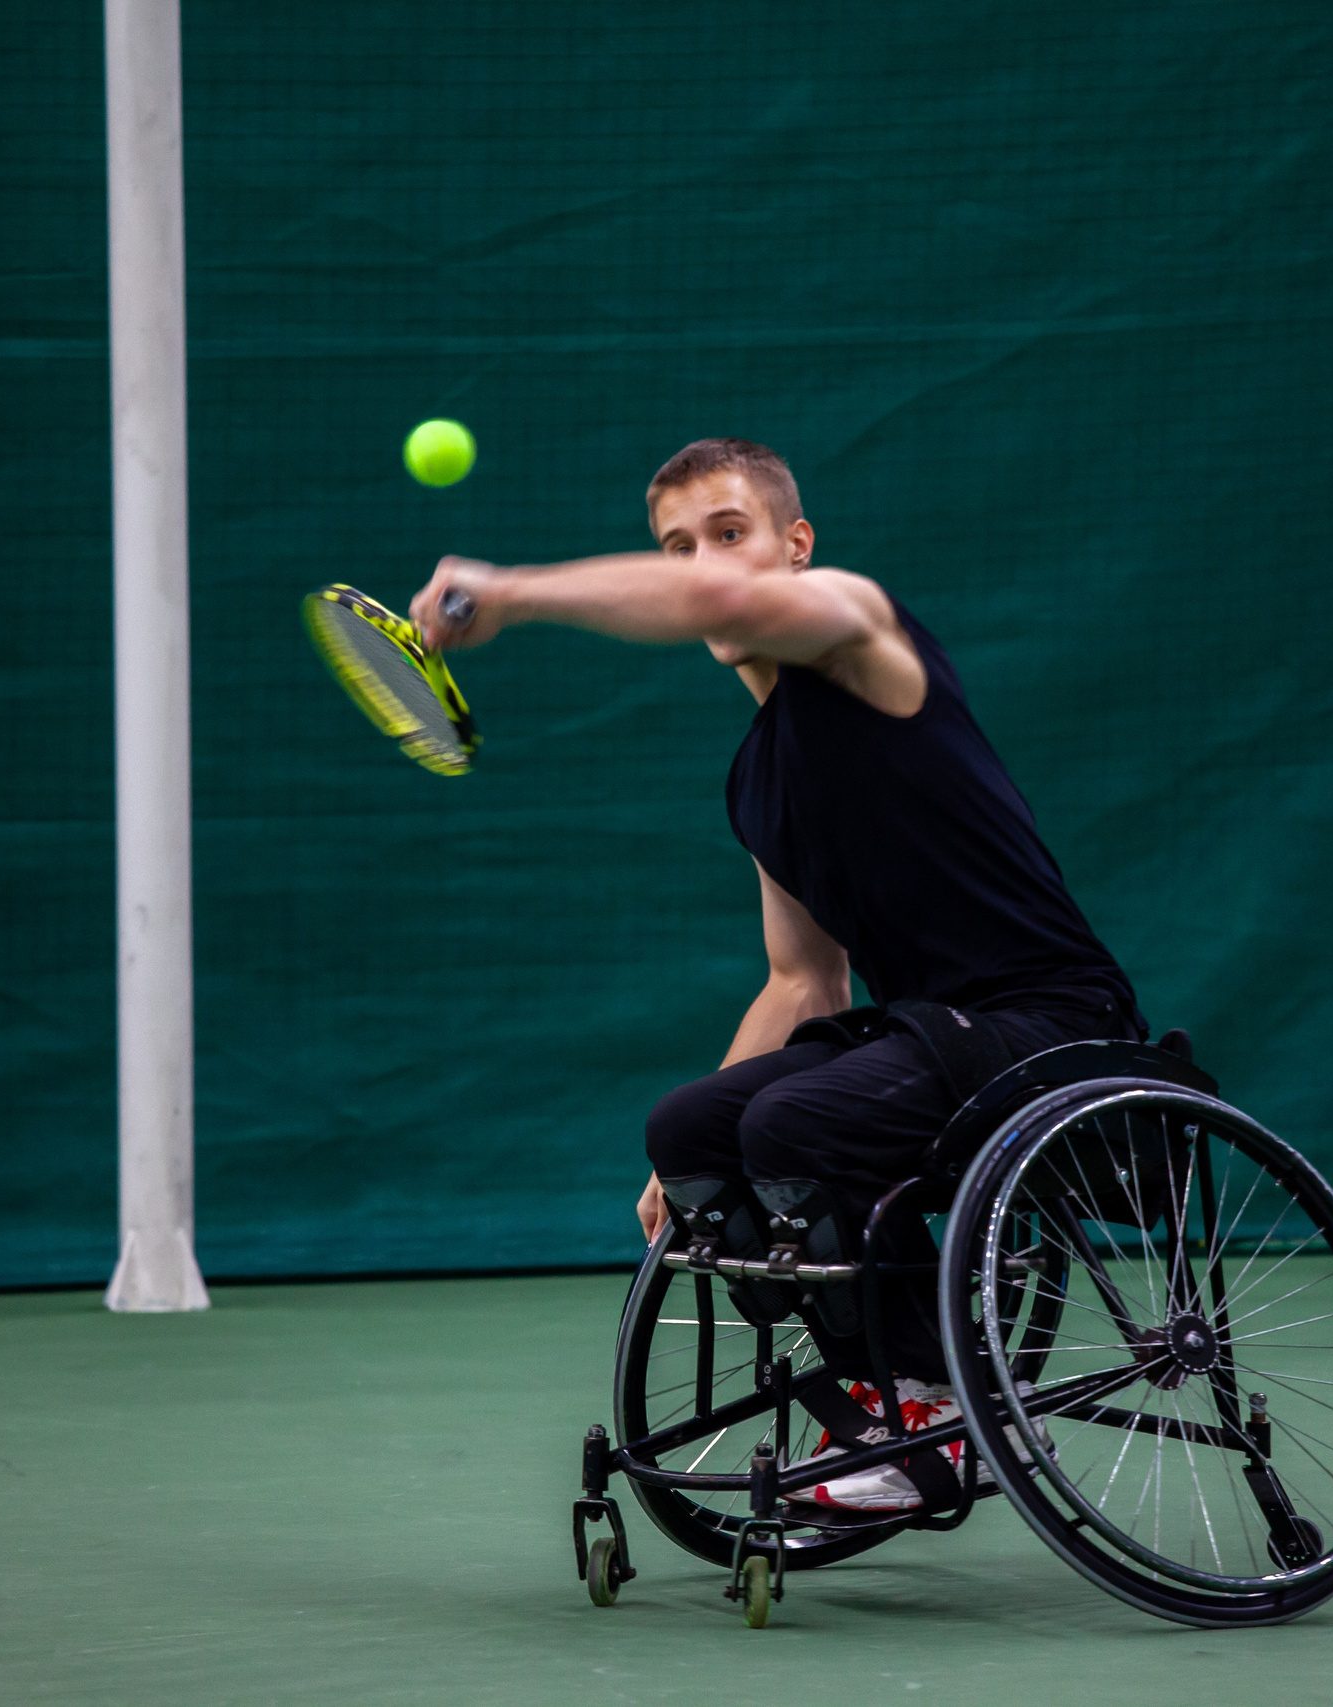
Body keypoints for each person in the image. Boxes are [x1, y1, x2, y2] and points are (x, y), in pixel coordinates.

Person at [412, 438, 1145, 1510]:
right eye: (675, 544)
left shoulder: (859, 628)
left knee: (790, 1129)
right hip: (931, 1038)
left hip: (1052, 1024)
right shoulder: (759, 781)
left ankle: (935, 1409)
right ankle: (890, 1380)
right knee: (691, 1129)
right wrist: (681, 1175)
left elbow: (724, 601)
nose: (703, 564)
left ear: (795, 547)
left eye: (727, 533)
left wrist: (512, 594)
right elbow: (804, 984)